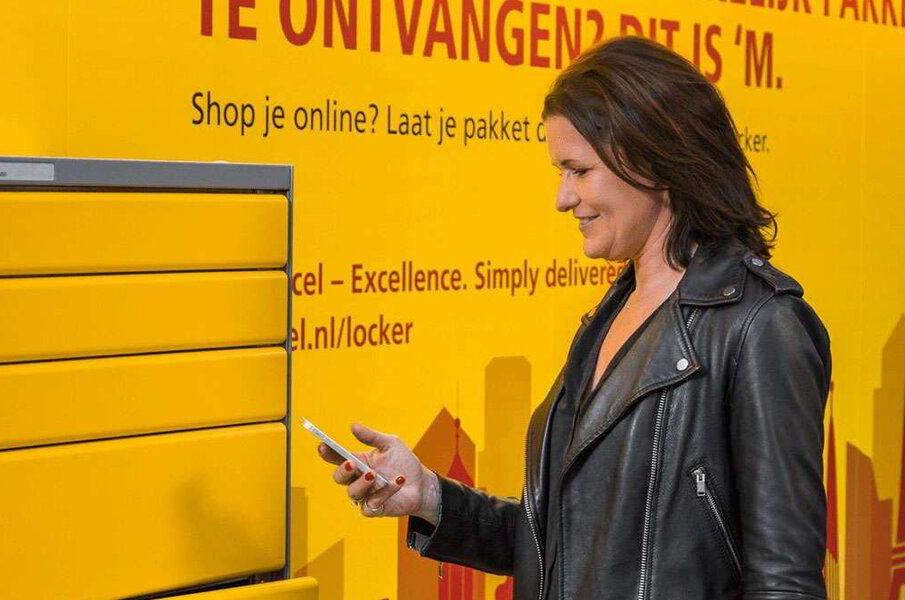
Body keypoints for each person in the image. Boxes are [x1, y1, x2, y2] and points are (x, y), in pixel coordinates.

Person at [316, 35, 831, 600]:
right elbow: (569, 540)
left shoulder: (763, 328)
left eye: (578, 170)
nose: (563, 198)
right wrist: (431, 497)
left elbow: (785, 583)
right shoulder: (611, 316)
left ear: (654, 159)